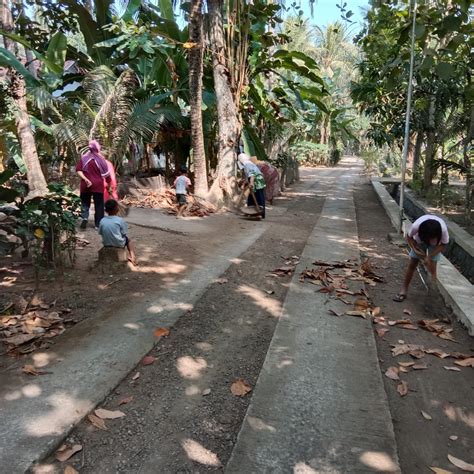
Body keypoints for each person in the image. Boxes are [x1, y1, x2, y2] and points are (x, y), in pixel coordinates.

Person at [393, 214, 449, 302]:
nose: (429, 240)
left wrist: (429, 257)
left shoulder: (443, 230)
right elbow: (409, 237)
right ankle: (404, 290)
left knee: (432, 269)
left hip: (435, 246)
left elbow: (443, 244)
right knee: (412, 264)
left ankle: (431, 295)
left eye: (431, 238)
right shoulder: (416, 226)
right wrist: (415, 249)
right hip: (419, 242)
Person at [76, 140, 111, 229]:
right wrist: (109, 185)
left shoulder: (84, 158)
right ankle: (98, 224)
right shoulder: (101, 160)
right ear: (97, 148)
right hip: (98, 185)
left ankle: (84, 218)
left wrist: (85, 179)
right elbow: (107, 175)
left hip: (85, 185)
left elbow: (78, 170)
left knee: (85, 203)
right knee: (99, 205)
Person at [99, 199, 136, 265]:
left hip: (106, 243)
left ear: (106, 210)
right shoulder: (120, 220)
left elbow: (101, 232)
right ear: (117, 209)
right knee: (129, 241)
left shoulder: (102, 220)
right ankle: (133, 257)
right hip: (119, 244)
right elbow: (124, 233)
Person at [238, 153, 266, 218]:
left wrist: (251, 183)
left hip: (257, 181)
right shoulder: (248, 163)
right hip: (257, 180)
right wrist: (245, 182)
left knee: (258, 196)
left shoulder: (247, 164)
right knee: (251, 196)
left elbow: (252, 174)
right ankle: (251, 211)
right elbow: (248, 175)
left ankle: (260, 212)